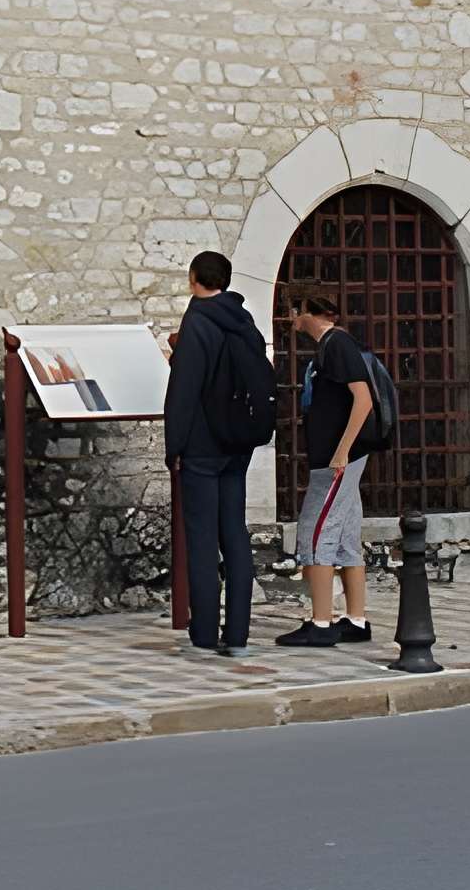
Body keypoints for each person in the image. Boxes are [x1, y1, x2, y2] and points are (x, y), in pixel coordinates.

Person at [160, 250, 268, 658]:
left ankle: (204, 630)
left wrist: (175, 449)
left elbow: (185, 393)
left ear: (193, 279)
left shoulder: (198, 322)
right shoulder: (243, 321)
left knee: (203, 539)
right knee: (234, 532)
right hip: (237, 443)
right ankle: (238, 630)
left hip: (203, 446)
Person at [277, 286, 375, 647]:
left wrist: (341, 451)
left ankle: (320, 623)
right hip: (337, 458)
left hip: (336, 459)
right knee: (346, 535)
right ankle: (356, 620)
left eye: (293, 311)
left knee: (315, 532)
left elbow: (362, 400)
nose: (291, 319)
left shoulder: (337, 345)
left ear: (306, 309)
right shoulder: (330, 347)